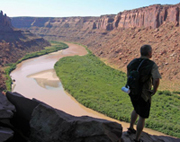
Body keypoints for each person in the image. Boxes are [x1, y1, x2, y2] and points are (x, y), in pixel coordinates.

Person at [126, 45, 161, 142]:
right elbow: (156, 79)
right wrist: (154, 90)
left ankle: (130, 128)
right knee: (142, 116)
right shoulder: (151, 64)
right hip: (144, 94)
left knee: (136, 109)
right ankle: (137, 139)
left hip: (132, 92)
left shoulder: (133, 62)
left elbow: (128, 74)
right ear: (149, 53)